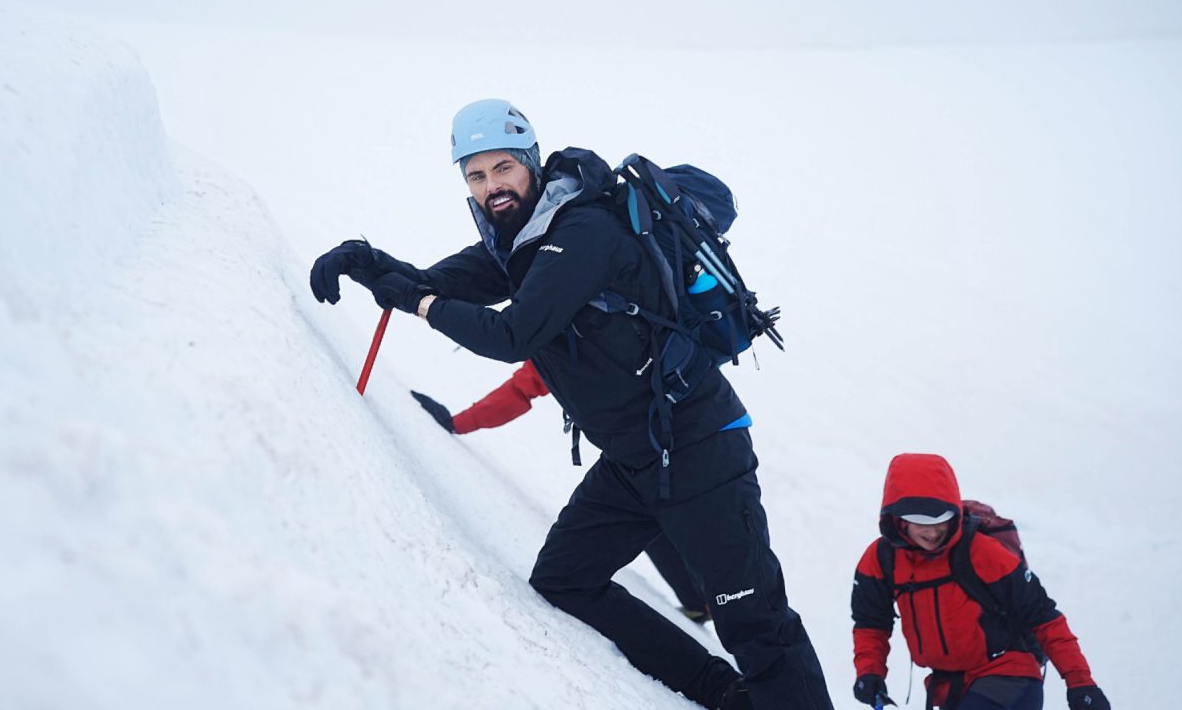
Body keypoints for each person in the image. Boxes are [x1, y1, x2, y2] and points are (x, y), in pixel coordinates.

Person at [309, 98, 833, 709]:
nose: (491, 187)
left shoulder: (581, 232)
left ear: (531, 163)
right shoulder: (524, 241)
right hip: (636, 461)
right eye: (475, 176)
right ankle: (721, 692)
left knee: (756, 623)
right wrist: (364, 261)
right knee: (565, 577)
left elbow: (512, 336)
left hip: (698, 448)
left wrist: (420, 307)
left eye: (503, 168)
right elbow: (438, 281)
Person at [410, 360, 711, 623]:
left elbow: (521, 389)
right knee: (653, 507)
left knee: (645, 504)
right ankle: (702, 602)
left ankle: (716, 607)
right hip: (697, 425)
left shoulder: (562, 325)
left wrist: (457, 423)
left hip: (656, 447)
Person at [850, 453, 1110, 710]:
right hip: (951, 688)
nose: (932, 532)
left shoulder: (981, 552)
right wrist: (870, 672)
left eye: (941, 520)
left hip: (1009, 676)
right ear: (898, 521)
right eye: (920, 523)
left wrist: (1081, 683)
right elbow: (871, 621)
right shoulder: (882, 559)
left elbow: (1043, 617)